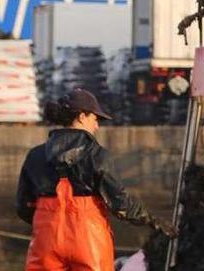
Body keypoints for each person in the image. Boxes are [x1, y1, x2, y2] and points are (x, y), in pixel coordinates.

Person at [17, 89, 174, 271]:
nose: (97, 126)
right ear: (82, 116)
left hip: (46, 239)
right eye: (95, 119)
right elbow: (120, 204)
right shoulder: (97, 155)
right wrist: (152, 220)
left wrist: (48, 223)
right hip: (88, 239)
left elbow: (22, 207)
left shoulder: (35, 156)